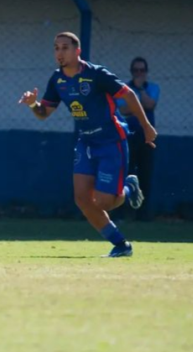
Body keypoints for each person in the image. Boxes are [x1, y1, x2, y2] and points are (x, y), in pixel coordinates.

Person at [18, 32, 156, 258]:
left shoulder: (96, 74)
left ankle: (129, 187)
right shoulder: (57, 80)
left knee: (104, 202)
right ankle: (121, 245)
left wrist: (146, 126)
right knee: (82, 198)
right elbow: (44, 113)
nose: (59, 53)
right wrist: (33, 103)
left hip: (111, 141)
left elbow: (129, 95)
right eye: (56, 48)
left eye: (65, 48)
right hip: (86, 142)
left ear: (77, 51)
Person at [117, 57, 159, 221]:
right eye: (136, 71)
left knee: (145, 174)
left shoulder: (153, 88)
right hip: (128, 137)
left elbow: (150, 105)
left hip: (147, 138)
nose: (139, 74)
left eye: (142, 70)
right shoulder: (123, 89)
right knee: (124, 173)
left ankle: (143, 214)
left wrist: (140, 90)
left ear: (146, 72)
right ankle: (122, 211)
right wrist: (135, 103)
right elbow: (124, 109)